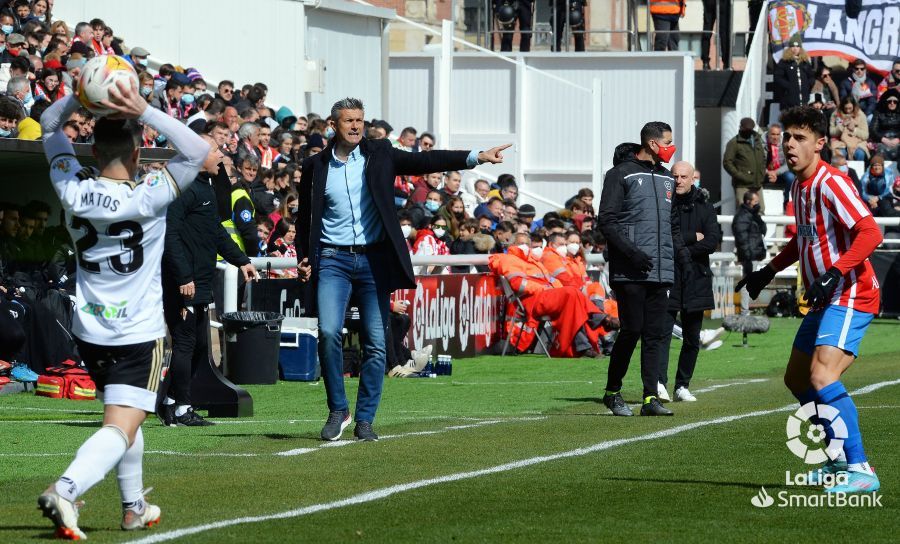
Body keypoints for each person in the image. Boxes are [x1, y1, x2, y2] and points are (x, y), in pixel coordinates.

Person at [36, 80, 209, 538]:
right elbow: (197, 150)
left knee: (123, 415)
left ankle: (133, 507)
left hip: (90, 331)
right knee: (120, 425)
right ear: (137, 156)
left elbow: (49, 124)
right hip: (137, 332)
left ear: (91, 154)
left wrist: (81, 93)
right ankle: (66, 489)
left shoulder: (71, 188)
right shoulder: (149, 193)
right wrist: (143, 109)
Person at [295, 97, 509, 442]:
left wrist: (475, 157)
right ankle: (339, 409)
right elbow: (304, 215)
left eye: (359, 120)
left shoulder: (379, 152)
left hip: (373, 260)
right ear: (333, 125)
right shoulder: (316, 166)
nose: (355, 126)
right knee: (329, 332)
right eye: (348, 120)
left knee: (377, 344)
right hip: (333, 259)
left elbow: (424, 161)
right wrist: (303, 255)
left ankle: (365, 419)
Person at [736, 105, 884, 494]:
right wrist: (768, 271)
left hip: (852, 292)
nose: (790, 144)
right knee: (797, 379)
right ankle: (836, 459)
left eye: (800, 138)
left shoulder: (831, 182)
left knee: (822, 376)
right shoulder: (798, 186)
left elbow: (871, 233)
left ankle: (862, 469)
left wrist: (835, 272)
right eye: (787, 137)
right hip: (825, 297)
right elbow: (804, 239)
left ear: (820, 144)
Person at [160, 134, 258, 427]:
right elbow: (170, 235)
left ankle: (170, 402)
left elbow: (216, 233)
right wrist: (183, 276)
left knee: (199, 345)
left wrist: (242, 261)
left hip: (199, 281)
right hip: (184, 283)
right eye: (216, 151)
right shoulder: (183, 188)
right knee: (186, 342)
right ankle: (180, 409)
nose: (222, 156)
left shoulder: (205, 187)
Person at [596, 122, 690, 417]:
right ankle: (613, 392)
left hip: (660, 270)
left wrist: (682, 256)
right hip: (630, 270)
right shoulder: (619, 174)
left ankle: (651, 398)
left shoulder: (666, 178)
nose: (671, 147)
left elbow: (673, 225)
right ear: (652, 143)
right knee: (632, 330)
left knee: (655, 334)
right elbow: (607, 221)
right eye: (668, 142)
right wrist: (632, 252)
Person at [658, 161, 722, 402]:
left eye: (683, 176)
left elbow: (712, 241)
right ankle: (659, 383)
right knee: (662, 333)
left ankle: (682, 386)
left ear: (692, 178)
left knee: (692, 337)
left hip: (696, 277)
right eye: (675, 176)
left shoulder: (705, 205)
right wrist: (690, 238)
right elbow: (662, 238)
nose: (678, 181)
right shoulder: (663, 203)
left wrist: (679, 247)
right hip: (668, 276)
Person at [732, 189, 766, 315]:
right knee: (747, 284)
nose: (758, 204)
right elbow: (741, 238)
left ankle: (747, 308)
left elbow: (763, 230)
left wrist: (757, 216)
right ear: (748, 201)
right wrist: (747, 255)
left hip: (755, 253)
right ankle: (744, 311)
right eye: (755, 201)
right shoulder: (742, 216)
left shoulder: (752, 215)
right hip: (749, 256)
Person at [724, 117, 767, 212]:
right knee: (743, 211)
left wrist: (762, 173)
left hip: (757, 184)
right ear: (740, 128)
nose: (748, 131)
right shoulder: (734, 143)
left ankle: (758, 227)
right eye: (745, 129)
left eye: (750, 129)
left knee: (760, 210)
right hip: (742, 185)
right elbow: (727, 162)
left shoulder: (758, 141)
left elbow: (763, 158)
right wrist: (740, 175)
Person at [773, 38, 814, 111]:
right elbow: (778, 77)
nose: (795, 49)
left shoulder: (805, 62)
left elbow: (811, 77)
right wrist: (789, 86)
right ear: (789, 48)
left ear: (800, 48)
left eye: (797, 47)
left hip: (804, 100)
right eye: (793, 47)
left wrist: (807, 85)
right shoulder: (784, 62)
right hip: (789, 101)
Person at [765, 123, 795, 210]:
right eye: (773, 134)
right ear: (768, 134)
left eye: (778, 134)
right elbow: (758, 163)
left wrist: (775, 172)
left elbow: (788, 164)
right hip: (765, 173)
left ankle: (786, 201)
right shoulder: (761, 144)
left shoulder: (785, 144)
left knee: (791, 177)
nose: (775, 137)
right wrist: (768, 172)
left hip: (780, 172)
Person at [829, 96, 869, 162]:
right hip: (840, 142)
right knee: (839, 154)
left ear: (854, 106)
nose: (848, 111)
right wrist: (841, 126)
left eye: (850, 108)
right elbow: (831, 132)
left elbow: (865, 135)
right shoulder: (836, 114)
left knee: (860, 153)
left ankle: (857, 172)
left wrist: (854, 130)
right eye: (846, 108)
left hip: (857, 142)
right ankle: (840, 171)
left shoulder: (860, 115)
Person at [700, 0, 731, 70]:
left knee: (707, 29)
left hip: (709, 2)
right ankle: (726, 63)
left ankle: (705, 62)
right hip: (723, 2)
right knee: (724, 32)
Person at [870, 89, 899, 161]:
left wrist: (898, 139)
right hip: (882, 140)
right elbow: (872, 129)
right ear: (886, 102)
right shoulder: (878, 113)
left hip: (897, 140)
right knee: (879, 149)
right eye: (890, 101)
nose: (892, 103)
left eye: (895, 101)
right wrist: (883, 139)